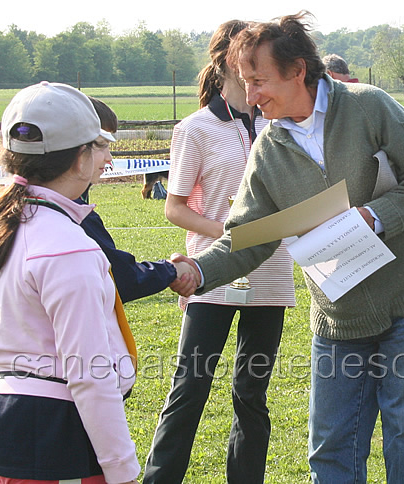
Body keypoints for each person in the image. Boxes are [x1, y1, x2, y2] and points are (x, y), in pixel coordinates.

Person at [176, 12, 404, 484]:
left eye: (259, 80)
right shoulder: (267, 148)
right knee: (330, 451)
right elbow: (248, 236)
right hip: (338, 317)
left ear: (297, 71)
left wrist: (373, 218)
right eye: (245, 83)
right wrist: (197, 271)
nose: (251, 96)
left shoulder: (370, 106)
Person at [0, 81, 141, 484]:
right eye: (100, 145)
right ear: (79, 160)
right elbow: (89, 374)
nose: (108, 158)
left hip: (1, 422)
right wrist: (123, 471)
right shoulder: (69, 247)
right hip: (57, 439)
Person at [143, 20, 295, 484]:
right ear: (225, 61)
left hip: (270, 274)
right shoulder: (195, 129)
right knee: (190, 387)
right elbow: (173, 207)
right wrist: (232, 235)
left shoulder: (278, 121)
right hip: (212, 272)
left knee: (252, 393)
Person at [77, 96, 195, 302]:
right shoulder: (76, 216)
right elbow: (121, 277)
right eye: (101, 144)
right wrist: (172, 269)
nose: (109, 157)